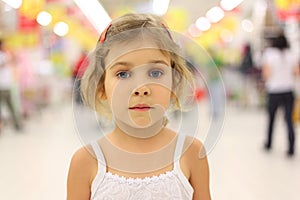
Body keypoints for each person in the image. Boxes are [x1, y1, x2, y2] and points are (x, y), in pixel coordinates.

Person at [67, 13, 211, 199]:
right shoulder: (86, 162)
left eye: (155, 72)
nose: (141, 88)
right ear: (102, 87)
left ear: (174, 83)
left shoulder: (191, 154)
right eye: (123, 74)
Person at [261, 33, 299, 157]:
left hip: (274, 90)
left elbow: (266, 74)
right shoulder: (291, 55)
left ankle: (269, 143)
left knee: (271, 118)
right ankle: (291, 147)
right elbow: (296, 72)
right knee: (289, 120)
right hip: (288, 90)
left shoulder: (269, 54)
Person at [0, 39, 22, 132]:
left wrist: (13, 57)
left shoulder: (6, 54)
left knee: (11, 106)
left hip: (7, 85)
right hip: (1, 86)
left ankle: (17, 125)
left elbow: (16, 62)